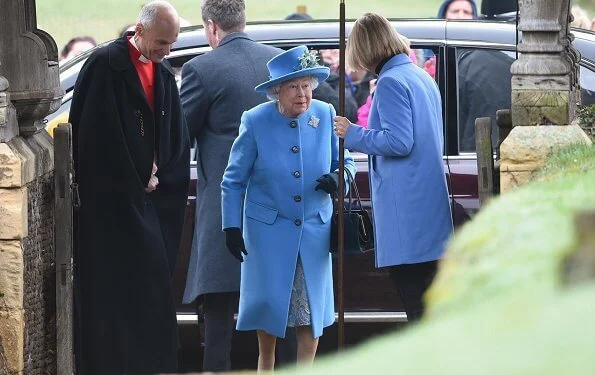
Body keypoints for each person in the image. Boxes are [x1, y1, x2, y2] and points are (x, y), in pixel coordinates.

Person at [68, 1, 190, 374]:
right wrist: (139, 175)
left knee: (150, 298)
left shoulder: (163, 72)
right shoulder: (105, 65)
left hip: (149, 207)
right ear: (139, 30)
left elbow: (174, 139)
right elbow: (94, 139)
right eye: (161, 43)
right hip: (113, 211)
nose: (166, 51)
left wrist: (159, 173)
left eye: (171, 44)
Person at [221, 45, 355, 371]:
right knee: (270, 308)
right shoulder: (255, 121)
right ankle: (266, 365)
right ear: (276, 90)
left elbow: (347, 162)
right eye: (294, 86)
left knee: (310, 308)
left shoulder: (324, 114)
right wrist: (231, 226)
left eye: (307, 85)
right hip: (269, 231)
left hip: (313, 228)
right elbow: (233, 180)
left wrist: (340, 178)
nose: (303, 94)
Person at [179, 0, 280, 372]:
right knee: (275, 294)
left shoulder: (201, 68)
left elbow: (179, 135)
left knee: (219, 300)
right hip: (276, 198)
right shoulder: (278, 60)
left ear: (210, 27)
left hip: (225, 199)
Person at [333, 13, 452, 322]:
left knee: (416, 307)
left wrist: (352, 133)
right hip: (427, 207)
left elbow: (399, 142)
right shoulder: (420, 76)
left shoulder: (390, 83)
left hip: (406, 213)